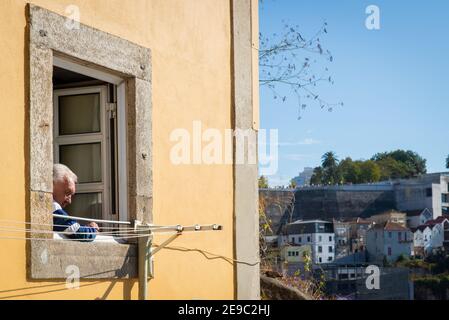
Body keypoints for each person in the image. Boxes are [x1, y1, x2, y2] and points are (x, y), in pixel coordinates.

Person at [52, 163, 99, 241]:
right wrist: (93, 229)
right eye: (67, 193)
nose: (69, 201)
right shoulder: (52, 205)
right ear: (51, 185)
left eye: (71, 195)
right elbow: (77, 232)